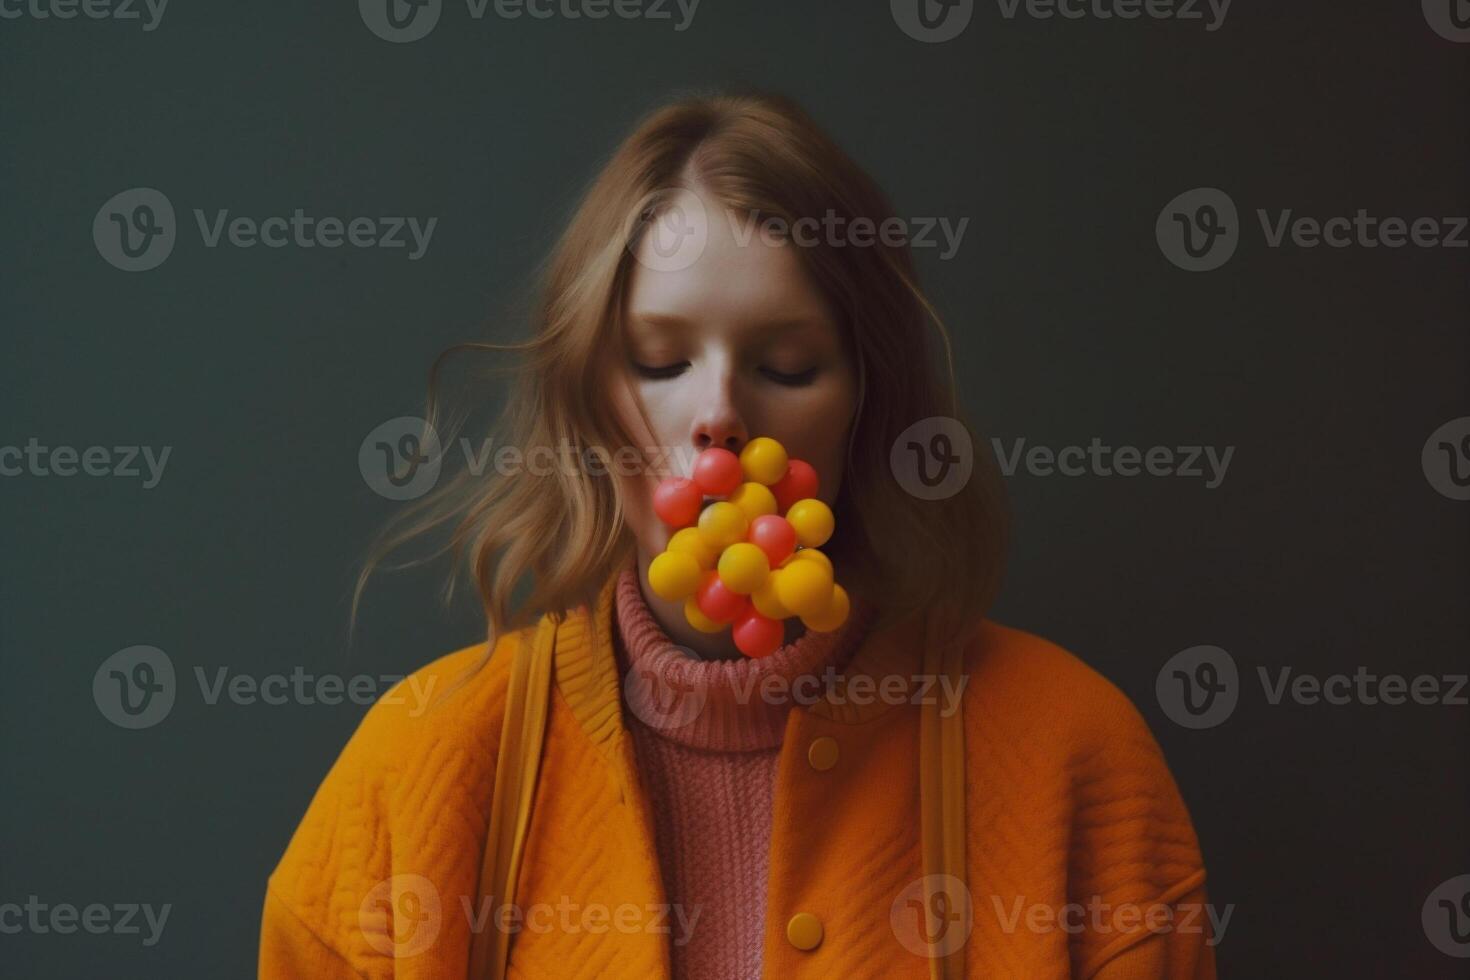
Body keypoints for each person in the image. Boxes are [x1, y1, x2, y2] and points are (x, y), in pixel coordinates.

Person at [258, 92, 1216, 979]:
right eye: (660, 360)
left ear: (866, 408)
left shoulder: (1075, 757)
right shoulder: (410, 773)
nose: (719, 414)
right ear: (590, 396)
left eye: (788, 366)